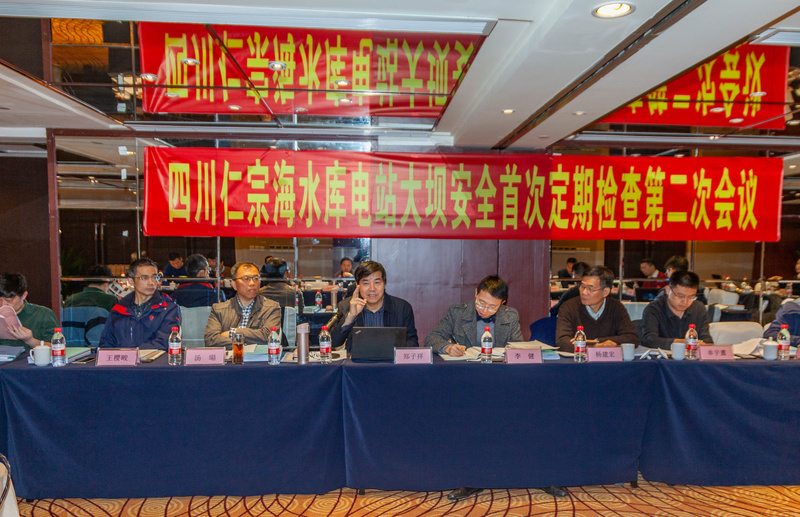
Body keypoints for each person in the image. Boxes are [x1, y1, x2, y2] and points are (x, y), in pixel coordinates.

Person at [329, 261, 418, 351]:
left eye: (377, 282)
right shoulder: (346, 306)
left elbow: (413, 343)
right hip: (358, 360)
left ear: (384, 283)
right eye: (366, 283)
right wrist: (350, 317)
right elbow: (334, 343)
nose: (372, 289)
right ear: (357, 285)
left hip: (390, 359)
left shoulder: (402, 308)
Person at [426, 275, 523, 357]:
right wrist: (448, 348)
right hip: (465, 367)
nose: (485, 310)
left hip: (498, 368)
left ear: (503, 303)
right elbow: (432, 338)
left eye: (492, 307)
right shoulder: (457, 312)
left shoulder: (510, 316)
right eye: (481, 303)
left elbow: (519, 348)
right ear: (476, 293)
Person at [98, 258, 181, 349]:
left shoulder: (168, 308)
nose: (151, 282)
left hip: (154, 358)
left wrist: (132, 354)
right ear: (131, 281)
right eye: (144, 278)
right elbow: (106, 343)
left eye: (154, 277)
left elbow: (164, 343)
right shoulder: (118, 310)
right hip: (121, 358)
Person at [555, 265, 639, 352]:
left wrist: (595, 342)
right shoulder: (568, 307)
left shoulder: (616, 307)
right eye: (582, 286)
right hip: (579, 359)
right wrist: (594, 347)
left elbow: (631, 338)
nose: (584, 292)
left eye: (590, 289)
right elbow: (562, 341)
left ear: (605, 292)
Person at [204, 261, 281, 347]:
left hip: (258, 356)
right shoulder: (218, 309)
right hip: (229, 355)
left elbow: (269, 336)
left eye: (256, 278)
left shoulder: (271, 307)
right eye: (245, 279)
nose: (252, 283)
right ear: (234, 284)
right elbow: (211, 340)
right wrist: (248, 342)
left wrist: (233, 333)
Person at [642, 270, 713, 349]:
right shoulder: (654, 309)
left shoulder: (699, 308)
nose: (685, 302)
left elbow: (706, 338)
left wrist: (703, 344)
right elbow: (649, 340)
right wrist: (681, 343)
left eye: (691, 297)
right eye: (680, 296)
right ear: (668, 290)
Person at [0, 272, 59, 351]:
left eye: (9, 300)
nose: (3, 304)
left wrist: (30, 340)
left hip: (30, 358)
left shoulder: (43, 314)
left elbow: (57, 347)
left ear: (23, 295)